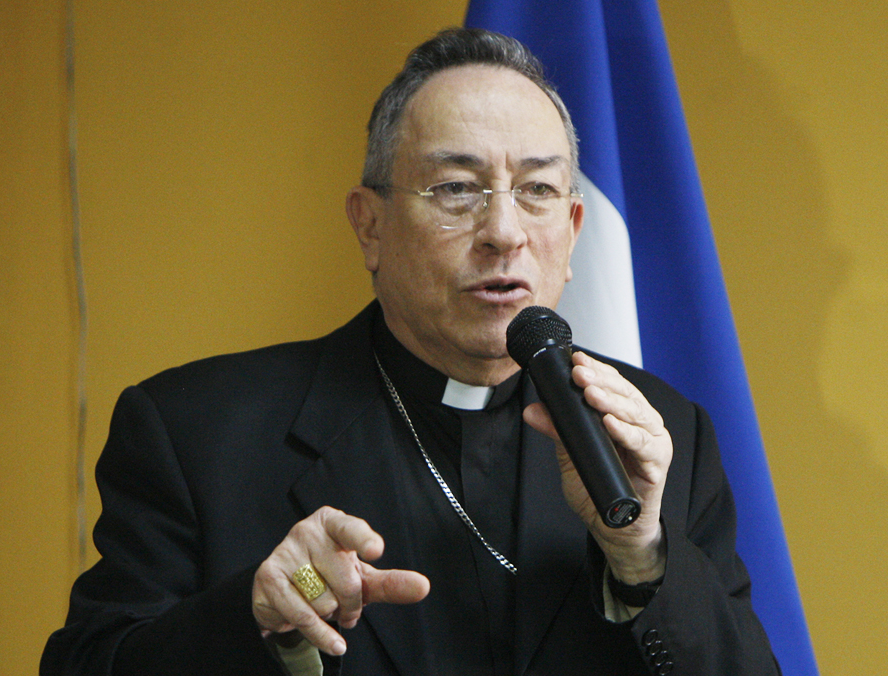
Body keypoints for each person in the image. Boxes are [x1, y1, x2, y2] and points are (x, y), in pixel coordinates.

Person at [41, 28, 779, 676]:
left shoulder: (663, 434)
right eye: (457, 188)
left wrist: (642, 554)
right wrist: (258, 619)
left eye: (537, 190)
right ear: (370, 226)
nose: (505, 233)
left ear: (574, 229)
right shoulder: (194, 432)